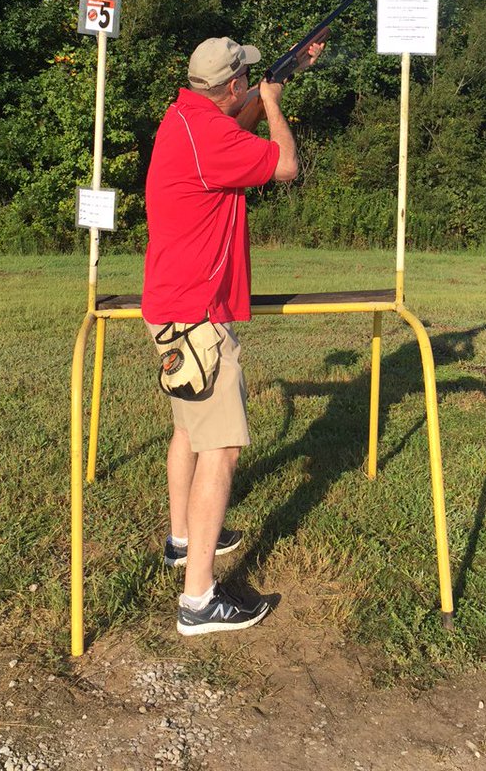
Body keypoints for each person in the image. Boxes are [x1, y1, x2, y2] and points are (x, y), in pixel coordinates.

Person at [141, 33, 320, 636]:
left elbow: (229, 127)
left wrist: (280, 79)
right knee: (222, 449)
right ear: (235, 85)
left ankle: (181, 540)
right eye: (248, 79)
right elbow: (286, 165)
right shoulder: (212, 135)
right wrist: (274, 103)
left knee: (189, 432)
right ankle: (198, 600)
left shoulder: (184, 117)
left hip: (171, 308)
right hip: (198, 316)